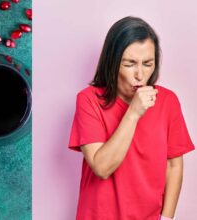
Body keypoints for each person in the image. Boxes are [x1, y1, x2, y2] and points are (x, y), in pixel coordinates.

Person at [68, 16, 195, 220]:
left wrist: (167, 218)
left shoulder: (168, 101)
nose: (140, 74)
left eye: (147, 63)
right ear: (112, 62)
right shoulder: (88, 100)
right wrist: (133, 113)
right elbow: (102, 167)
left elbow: (174, 165)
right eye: (129, 64)